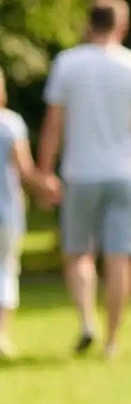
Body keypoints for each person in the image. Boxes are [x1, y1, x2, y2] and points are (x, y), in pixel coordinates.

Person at [35, 0, 131, 358]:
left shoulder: (67, 64)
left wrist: (45, 171)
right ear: (122, 24)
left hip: (80, 172)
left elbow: (53, 125)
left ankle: (87, 321)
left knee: (78, 253)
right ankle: (111, 340)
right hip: (124, 173)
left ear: (89, 23)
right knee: (119, 256)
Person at [0, 67, 56, 358]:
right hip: (6, 211)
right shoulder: (10, 124)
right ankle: (1, 335)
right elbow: (24, 170)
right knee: (6, 270)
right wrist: (46, 186)